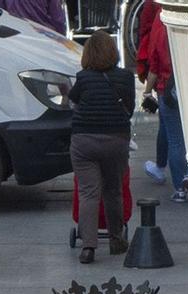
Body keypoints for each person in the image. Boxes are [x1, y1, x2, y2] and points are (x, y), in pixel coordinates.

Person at [67, 32, 136, 264]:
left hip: (84, 141)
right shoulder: (126, 77)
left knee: (88, 192)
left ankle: (88, 246)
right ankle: (116, 238)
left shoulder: (83, 78)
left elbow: (72, 100)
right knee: (113, 189)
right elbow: (129, 107)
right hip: (116, 140)